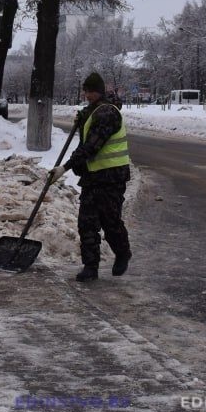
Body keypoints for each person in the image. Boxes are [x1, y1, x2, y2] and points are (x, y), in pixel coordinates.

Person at [48, 72, 131, 282]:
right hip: (93, 177)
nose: (86, 95)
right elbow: (88, 129)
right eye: (85, 91)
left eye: (89, 91)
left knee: (110, 221)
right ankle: (90, 267)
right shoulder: (94, 111)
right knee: (87, 222)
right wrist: (84, 116)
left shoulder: (108, 114)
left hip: (112, 177)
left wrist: (64, 168)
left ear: (99, 92)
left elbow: (92, 146)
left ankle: (123, 253)